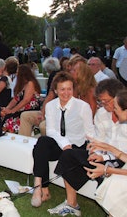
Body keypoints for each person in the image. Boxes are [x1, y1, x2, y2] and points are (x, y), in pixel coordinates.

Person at [47, 79, 125, 216]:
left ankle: (113, 211)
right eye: (101, 102)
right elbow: (97, 139)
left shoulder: (124, 118)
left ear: (118, 97)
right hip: (105, 155)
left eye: (107, 101)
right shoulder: (101, 114)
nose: (103, 105)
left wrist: (104, 157)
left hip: (121, 160)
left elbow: (122, 152)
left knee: (102, 170)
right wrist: (95, 153)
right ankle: (72, 204)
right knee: (69, 155)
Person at [30, 72, 95, 208]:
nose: (66, 93)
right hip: (60, 144)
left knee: (67, 154)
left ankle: (61, 198)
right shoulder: (51, 106)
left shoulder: (83, 106)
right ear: (55, 90)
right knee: (42, 142)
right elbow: (51, 131)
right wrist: (64, 143)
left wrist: (94, 148)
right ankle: (39, 188)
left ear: (73, 89)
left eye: (69, 89)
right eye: (62, 89)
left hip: (77, 147)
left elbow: (90, 132)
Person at [1, 64, 42, 134]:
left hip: (28, 109)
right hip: (21, 108)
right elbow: (15, 99)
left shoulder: (30, 83)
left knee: (10, 119)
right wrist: (7, 109)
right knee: (3, 115)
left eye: (17, 73)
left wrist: (13, 110)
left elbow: (26, 100)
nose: (16, 74)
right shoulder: (22, 85)